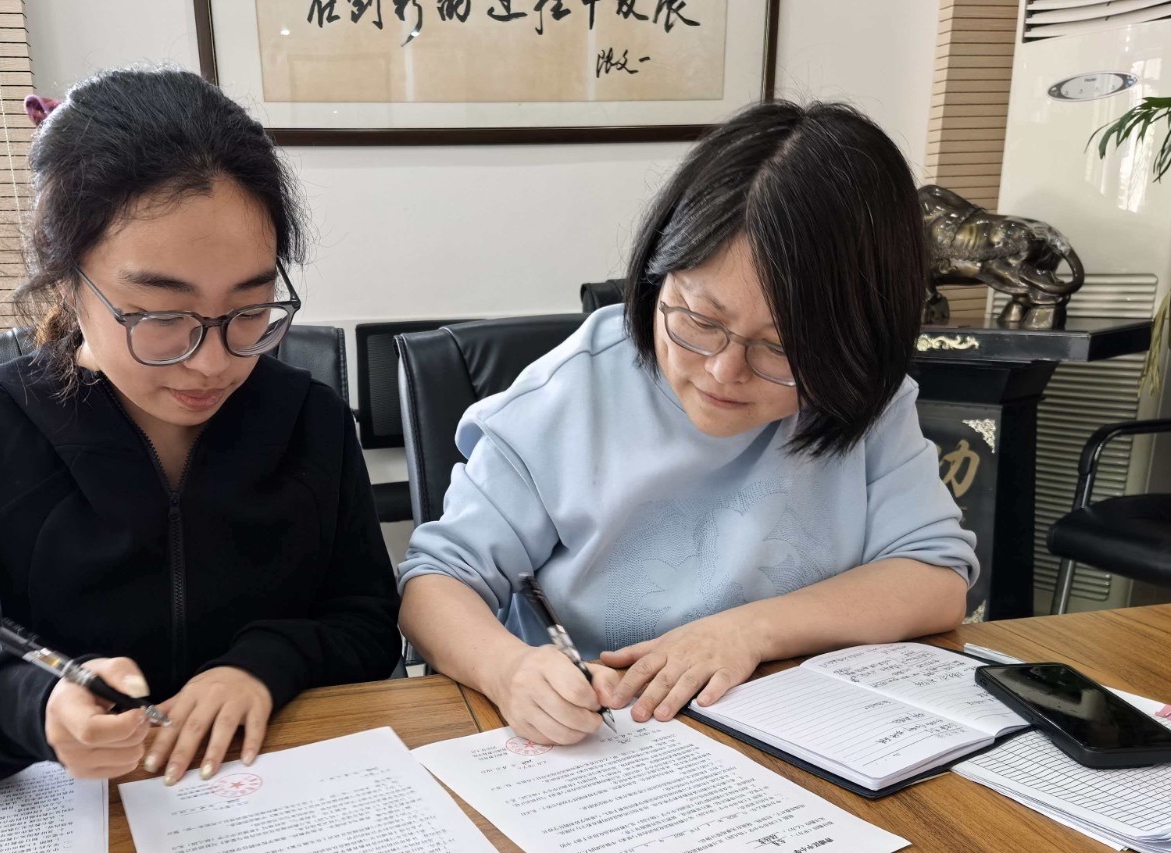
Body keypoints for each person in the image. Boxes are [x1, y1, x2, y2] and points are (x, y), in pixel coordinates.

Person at [0, 69, 400, 790]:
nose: (212, 363)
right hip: (73, 815)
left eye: (251, 308)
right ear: (65, 279)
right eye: (161, 315)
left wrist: (262, 666)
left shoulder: (309, 419)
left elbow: (366, 621)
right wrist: (35, 708)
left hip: (268, 796)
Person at [398, 101, 977, 748]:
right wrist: (508, 671)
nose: (725, 371)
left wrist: (749, 631)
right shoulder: (567, 398)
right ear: (658, 273)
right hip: (604, 742)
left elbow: (934, 578)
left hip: (801, 735)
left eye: (782, 347)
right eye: (701, 320)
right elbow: (434, 586)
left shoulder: (865, 400)